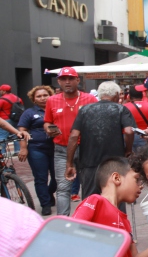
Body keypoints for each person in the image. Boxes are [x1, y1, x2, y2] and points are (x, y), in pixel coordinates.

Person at [66, 82, 136, 199]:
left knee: (90, 200)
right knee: (116, 198)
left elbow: (74, 136)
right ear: (116, 95)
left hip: (89, 162)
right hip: (114, 163)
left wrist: (69, 163)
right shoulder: (121, 109)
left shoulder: (84, 110)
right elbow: (129, 131)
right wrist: (128, 150)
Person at [44, 67, 99, 215]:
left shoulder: (90, 99)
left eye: (70, 78)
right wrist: (51, 130)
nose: (67, 82)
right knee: (63, 188)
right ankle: (63, 223)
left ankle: (88, 219)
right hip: (62, 149)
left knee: (88, 187)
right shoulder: (52, 100)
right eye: (63, 79)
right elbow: (48, 121)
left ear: (77, 80)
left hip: (86, 149)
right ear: (59, 82)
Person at [17, 85, 56, 215]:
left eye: (45, 95)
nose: (43, 98)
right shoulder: (29, 113)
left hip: (57, 148)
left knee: (58, 178)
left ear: (50, 95)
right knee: (41, 178)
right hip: (37, 149)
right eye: (39, 96)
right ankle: (45, 204)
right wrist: (23, 148)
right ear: (34, 99)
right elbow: (22, 131)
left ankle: (49, 192)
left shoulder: (56, 109)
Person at [124, 86, 148, 151]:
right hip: (145, 136)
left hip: (129, 137)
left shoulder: (124, 107)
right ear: (142, 95)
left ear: (129, 96)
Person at [0, 84, 23, 153]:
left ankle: (2, 152)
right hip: (16, 119)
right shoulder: (18, 98)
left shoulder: (2, 99)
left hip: (5, 119)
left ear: (4, 91)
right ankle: (17, 150)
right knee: (16, 134)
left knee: (2, 136)